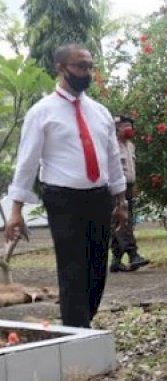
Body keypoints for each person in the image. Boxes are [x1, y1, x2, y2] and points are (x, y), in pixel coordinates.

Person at [4, 44, 127, 328]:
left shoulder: (100, 112)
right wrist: (16, 211)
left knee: (97, 267)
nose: (87, 73)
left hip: (98, 197)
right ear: (61, 68)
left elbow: (112, 159)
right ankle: (78, 329)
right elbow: (27, 163)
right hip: (63, 199)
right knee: (72, 267)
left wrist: (121, 203)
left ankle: (84, 320)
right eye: (80, 67)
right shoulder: (42, 112)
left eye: (90, 67)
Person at [109, 115, 150, 273]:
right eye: (125, 125)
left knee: (120, 222)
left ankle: (116, 261)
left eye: (130, 125)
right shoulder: (112, 146)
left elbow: (132, 167)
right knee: (122, 221)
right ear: (116, 128)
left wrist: (134, 185)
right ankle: (133, 255)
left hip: (128, 186)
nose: (129, 129)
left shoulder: (130, 145)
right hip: (115, 188)